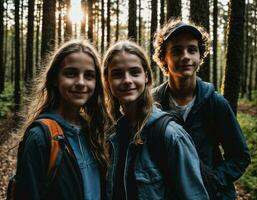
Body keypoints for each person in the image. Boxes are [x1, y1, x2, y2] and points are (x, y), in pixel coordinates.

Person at [152, 19, 251, 200]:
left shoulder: (214, 103)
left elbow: (240, 155)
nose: (186, 56)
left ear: (200, 56)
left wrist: (213, 180)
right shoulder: (153, 104)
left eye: (192, 49)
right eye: (176, 51)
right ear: (163, 58)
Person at [102, 40, 209, 200]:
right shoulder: (108, 134)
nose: (127, 80)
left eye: (134, 72)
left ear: (146, 76)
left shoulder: (170, 135)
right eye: (117, 74)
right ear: (107, 81)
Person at [13, 40, 111, 200]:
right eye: (71, 73)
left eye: (89, 76)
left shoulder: (93, 132)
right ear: (54, 79)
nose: (81, 82)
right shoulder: (40, 137)